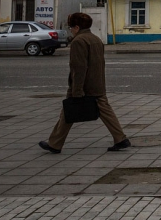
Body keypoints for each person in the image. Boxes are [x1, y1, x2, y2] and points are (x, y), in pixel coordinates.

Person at [39, 12, 130, 154]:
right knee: (104, 112)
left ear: (76, 27)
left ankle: (55, 144)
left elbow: (79, 68)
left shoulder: (78, 41)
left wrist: (77, 90)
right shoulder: (95, 39)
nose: (70, 30)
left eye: (71, 28)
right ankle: (120, 138)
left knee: (68, 112)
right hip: (97, 83)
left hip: (84, 86)